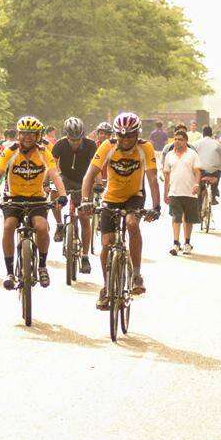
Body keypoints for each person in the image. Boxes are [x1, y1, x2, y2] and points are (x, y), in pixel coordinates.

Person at [80, 112, 160, 308]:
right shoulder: (107, 145)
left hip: (135, 196)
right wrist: (85, 200)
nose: (125, 140)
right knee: (106, 244)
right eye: (121, 136)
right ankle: (107, 287)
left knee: (132, 224)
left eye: (130, 136)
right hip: (111, 197)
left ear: (137, 134)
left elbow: (151, 178)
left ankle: (136, 275)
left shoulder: (145, 147)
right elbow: (90, 174)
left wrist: (156, 206)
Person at [0, 116, 67, 290]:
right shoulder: (10, 151)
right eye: (24, 133)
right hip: (13, 198)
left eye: (32, 134)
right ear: (18, 134)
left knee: (41, 226)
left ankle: (42, 266)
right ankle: (9, 271)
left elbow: (54, 174)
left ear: (39, 136)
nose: (28, 137)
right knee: (9, 226)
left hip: (37, 199)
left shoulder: (44, 151)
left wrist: (62, 194)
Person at [50, 117, 97, 272]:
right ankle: (59, 225)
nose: (75, 142)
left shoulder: (90, 145)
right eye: (72, 139)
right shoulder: (60, 145)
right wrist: (47, 183)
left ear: (83, 135)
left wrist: (99, 184)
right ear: (66, 135)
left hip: (84, 181)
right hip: (66, 178)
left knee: (84, 217)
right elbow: (51, 166)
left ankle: (84, 256)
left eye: (78, 139)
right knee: (54, 193)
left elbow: (95, 167)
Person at [163, 129, 201, 255]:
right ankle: (175, 243)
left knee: (188, 219)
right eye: (175, 139)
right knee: (176, 218)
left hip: (190, 192)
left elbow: (197, 171)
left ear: (186, 141)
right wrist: (165, 192)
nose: (177, 142)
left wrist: (196, 184)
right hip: (174, 192)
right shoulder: (169, 155)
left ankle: (187, 242)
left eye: (180, 139)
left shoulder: (192, 154)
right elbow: (166, 175)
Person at [194, 125, 221, 205]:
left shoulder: (196, 143)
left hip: (200, 170)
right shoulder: (217, 143)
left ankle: (198, 199)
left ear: (203, 134)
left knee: (198, 185)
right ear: (211, 134)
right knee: (217, 176)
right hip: (214, 171)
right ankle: (214, 195)